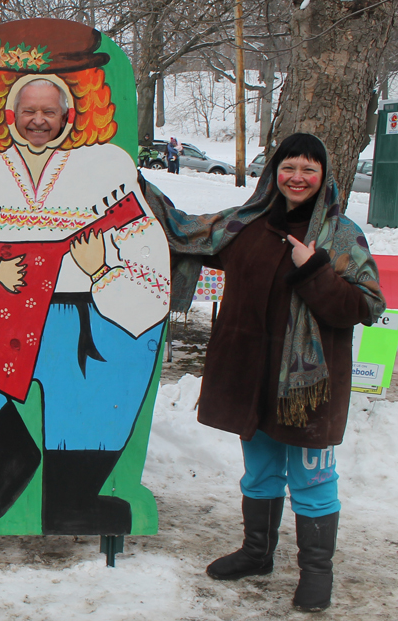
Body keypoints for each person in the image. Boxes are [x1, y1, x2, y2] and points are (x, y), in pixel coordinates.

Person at [0, 26, 170, 535]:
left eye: (49, 111)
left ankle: (75, 498)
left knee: (96, 390)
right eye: (29, 110)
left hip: (87, 320)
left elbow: (147, 264)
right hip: (4, 312)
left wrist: (102, 273)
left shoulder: (104, 169)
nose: (38, 120)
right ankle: (10, 461)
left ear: (67, 116)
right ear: (10, 116)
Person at [142, 133, 385, 612]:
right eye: (289, 166)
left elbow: (364, 305)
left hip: (307, 387)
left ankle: (317, 573)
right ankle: (257, 553)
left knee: (313, 482)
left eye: (309, 169)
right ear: (275, 171)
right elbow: (182, 232)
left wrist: (313, 267)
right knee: (260, 473)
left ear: (324, 175)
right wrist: (130, 183)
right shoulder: (245, 226)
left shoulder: (341, 235)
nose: (298, 177)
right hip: (251, 378)